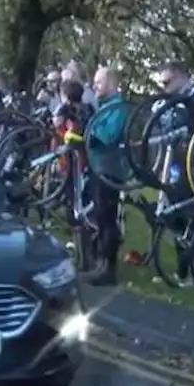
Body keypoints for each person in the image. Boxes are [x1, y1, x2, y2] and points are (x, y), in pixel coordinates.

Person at [81, 66, 129, 286]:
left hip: (111, 170)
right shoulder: (103, 106)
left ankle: (109, 269)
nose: (94, 85)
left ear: (110, 83)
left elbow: (109, 136)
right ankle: (100, 263)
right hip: (98, 167)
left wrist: (89, 132)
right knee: (99, 217)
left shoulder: (118, 107)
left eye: (99, 82)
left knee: (107, 219)